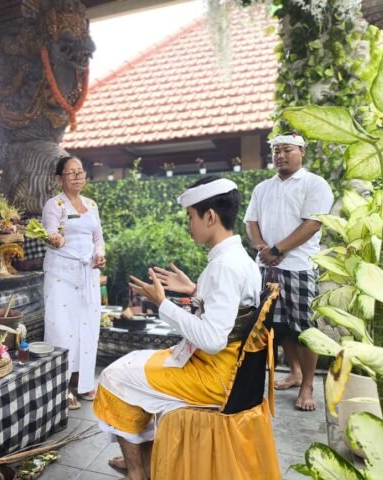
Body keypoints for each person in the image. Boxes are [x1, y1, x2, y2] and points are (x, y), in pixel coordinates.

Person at [94, 176, 262, 480]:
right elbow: (230, 311)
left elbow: (213, 339)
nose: (188, 225)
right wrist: (195, 290)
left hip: (214, 375)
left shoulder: (224, 267)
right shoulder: (240, 259)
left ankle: (137, 471)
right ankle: (146, 459)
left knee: (113, 376)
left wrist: (162, 303)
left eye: (190, 217)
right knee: (131, 364)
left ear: (210, 216)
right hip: (225, 367)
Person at [244, 132, 334, 411]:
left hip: (299, 267)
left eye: (287, 150)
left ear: (302, 151)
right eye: (276, 151)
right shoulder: (262, 188)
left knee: (304, 329)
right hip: (266, 267)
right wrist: (262, 247)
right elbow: (251, 222)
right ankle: (294, 373)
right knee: (278, 326)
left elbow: (312, 224)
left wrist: (278, 249)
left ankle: (307, 386)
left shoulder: (315, 184)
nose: (280, 156)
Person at [42, 155, 106, 410]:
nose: (78, 176)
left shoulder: (91, 204)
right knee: (62, 328)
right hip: (62, 275)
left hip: (88, 276)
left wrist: (100, 254)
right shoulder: (54, 204)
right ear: (59, 179)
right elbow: (50, 231)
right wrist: (54, 238)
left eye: (80, 172)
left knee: (87, 328)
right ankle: (63, 386)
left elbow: (98, 238)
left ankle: (83, 382)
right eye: (72, 172)